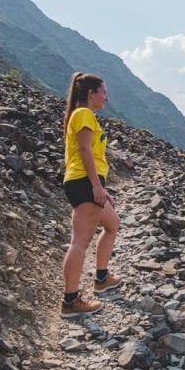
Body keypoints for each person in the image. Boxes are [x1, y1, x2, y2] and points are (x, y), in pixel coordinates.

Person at [59, 72, 122, 317]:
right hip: (85, 181)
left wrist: (102, 190)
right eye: (103, 92)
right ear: (91, 93)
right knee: (80, 241)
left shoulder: (84, 115)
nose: (106, 97)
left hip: (87, 181)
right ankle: (70, 301)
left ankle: (102, 278)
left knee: (112, 223)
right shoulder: (83, 114)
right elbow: (85, 149)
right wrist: (96, 186)